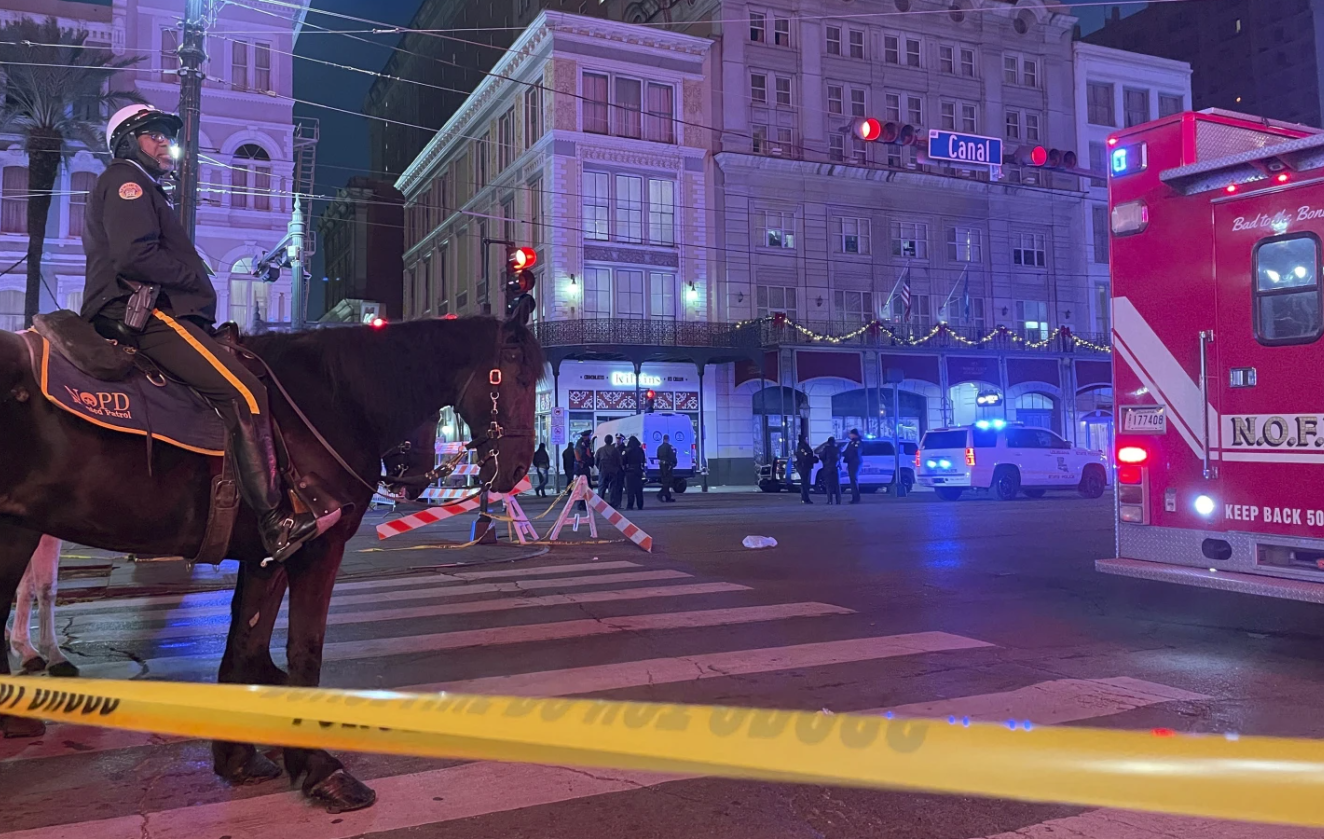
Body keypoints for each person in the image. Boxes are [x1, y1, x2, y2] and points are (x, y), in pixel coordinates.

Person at [80, 105, 336, 564]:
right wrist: (195, 276)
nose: (164, 144)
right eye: (152, 135)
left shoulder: (141, 187)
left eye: (165, 136)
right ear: (127, 142)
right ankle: (274, 520)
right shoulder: (128, 182)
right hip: (140, 312)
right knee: (247, 391)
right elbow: (134, 257)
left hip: (145, 307)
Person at [596, 434, 621, 505]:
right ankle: (612, 502)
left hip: (603, 470)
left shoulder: (600, 450)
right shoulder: (615, 450)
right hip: (613, 470)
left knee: (601, 486)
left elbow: (596, 461)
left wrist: (600, 468)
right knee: (613, 487)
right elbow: (619, 460)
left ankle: (600, 503)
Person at [623, 436, 647, 510]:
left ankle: (630, 505)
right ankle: (640, 505)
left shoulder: (627, 450)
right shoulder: (640, 450)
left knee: (630, 490)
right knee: (639, 489)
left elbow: (623, 461)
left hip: (629, 471)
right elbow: (643, 460)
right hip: (638, 471)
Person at [816, 436, 842, 505]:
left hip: (827, 468)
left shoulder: (826, 449)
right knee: (837, 485)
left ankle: (830, 500)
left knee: (828, 485)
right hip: (836, 468)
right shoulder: (837, 449)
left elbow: (821, 456)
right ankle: (838, 500)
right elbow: (840, 457)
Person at [794, 434, 816, 504]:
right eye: (806, 439)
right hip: (804, 467)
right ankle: (805, 498)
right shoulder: (802, 447)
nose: (807, 440)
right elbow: (804, 458)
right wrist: (813, 459)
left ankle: (806, 498)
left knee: (806, 483)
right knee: (805, 483)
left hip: (807, 466)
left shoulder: (805, 446)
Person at [843, 428, 863, 504]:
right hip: (851, 463)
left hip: (855, 462)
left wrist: (848, 456)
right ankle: (854, 497)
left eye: (851, 434)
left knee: (854, 480)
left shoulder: (858, 442)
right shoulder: (851, 442)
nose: (849, 435)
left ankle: (856, 498)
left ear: (854, 434)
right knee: (852, 480)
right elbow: (846, 451)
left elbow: (856, 452)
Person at [656, 434, 677, 502]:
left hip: (661, 465)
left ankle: (668, 497)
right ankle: (660, 494)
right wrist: (674, 463)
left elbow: (658, 456)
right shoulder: (669, 447)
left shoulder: (659, 447)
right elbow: (672, 456)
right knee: (668, 481)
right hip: (668, 465)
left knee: (664, 480)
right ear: (668, 439)